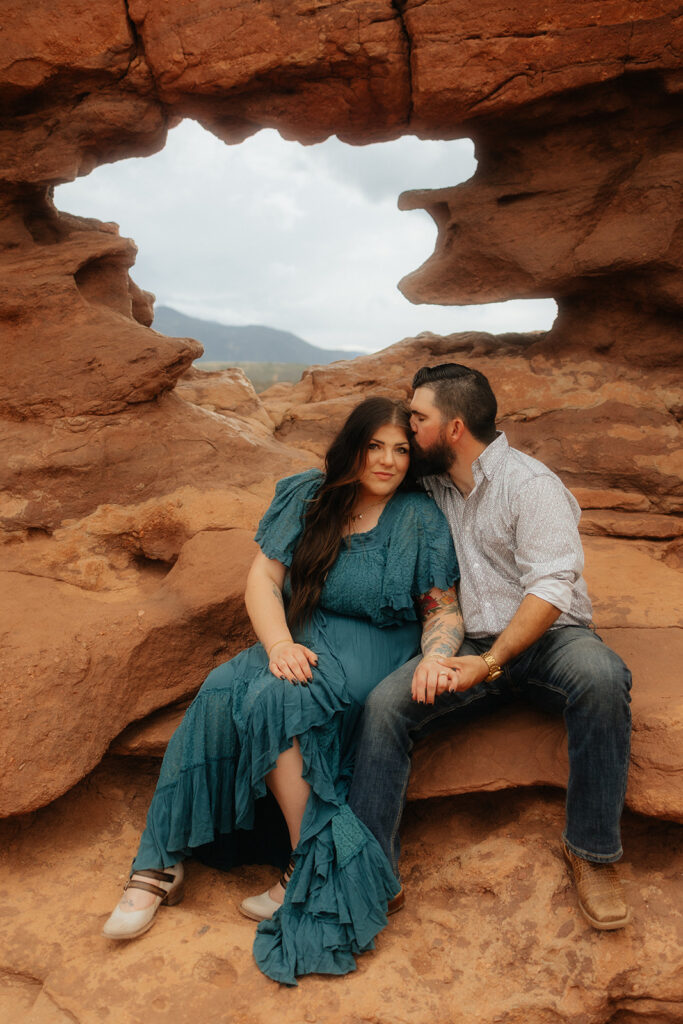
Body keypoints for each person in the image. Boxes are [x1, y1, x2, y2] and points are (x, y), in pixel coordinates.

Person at [102, 397, 464, 984]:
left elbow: (442, 609)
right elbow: (264, 580)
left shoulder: (419, 517)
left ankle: (307, 866)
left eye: (402, 449)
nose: (389, 460)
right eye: (376, 445)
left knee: (279, 701)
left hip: (375, 647)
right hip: (298, 638)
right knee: (221, 689)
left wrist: (440, 655)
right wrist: (276, 646)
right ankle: (160, 863)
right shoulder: (306, 495)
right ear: (353, 445)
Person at [348, 364, 633, 931]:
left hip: (550, 639)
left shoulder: (531, 486)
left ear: (453, 429)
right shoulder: (430, 482)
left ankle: (592, 853)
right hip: (465, 640)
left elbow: (553, 586)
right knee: (383, 707)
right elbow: (364, 471)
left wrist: (491, 662)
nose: (408, 426)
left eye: (418, 417)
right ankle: (371, 871)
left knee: (603, 679)